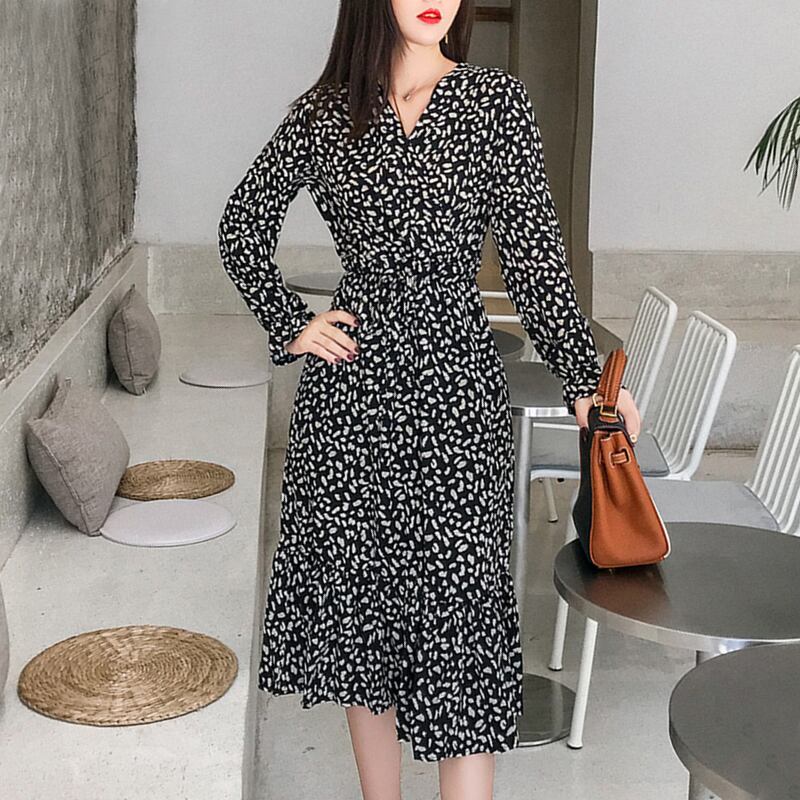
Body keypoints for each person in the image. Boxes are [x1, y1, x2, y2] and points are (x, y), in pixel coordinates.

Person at [217, 1, 641, 797]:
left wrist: (586, 382)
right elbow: (241, 227)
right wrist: (293, 324)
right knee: (363, 619)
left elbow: (536, 264)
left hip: (458, 400)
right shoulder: (326, 112)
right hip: (350, 406)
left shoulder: (494, 103)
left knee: (461, 623)